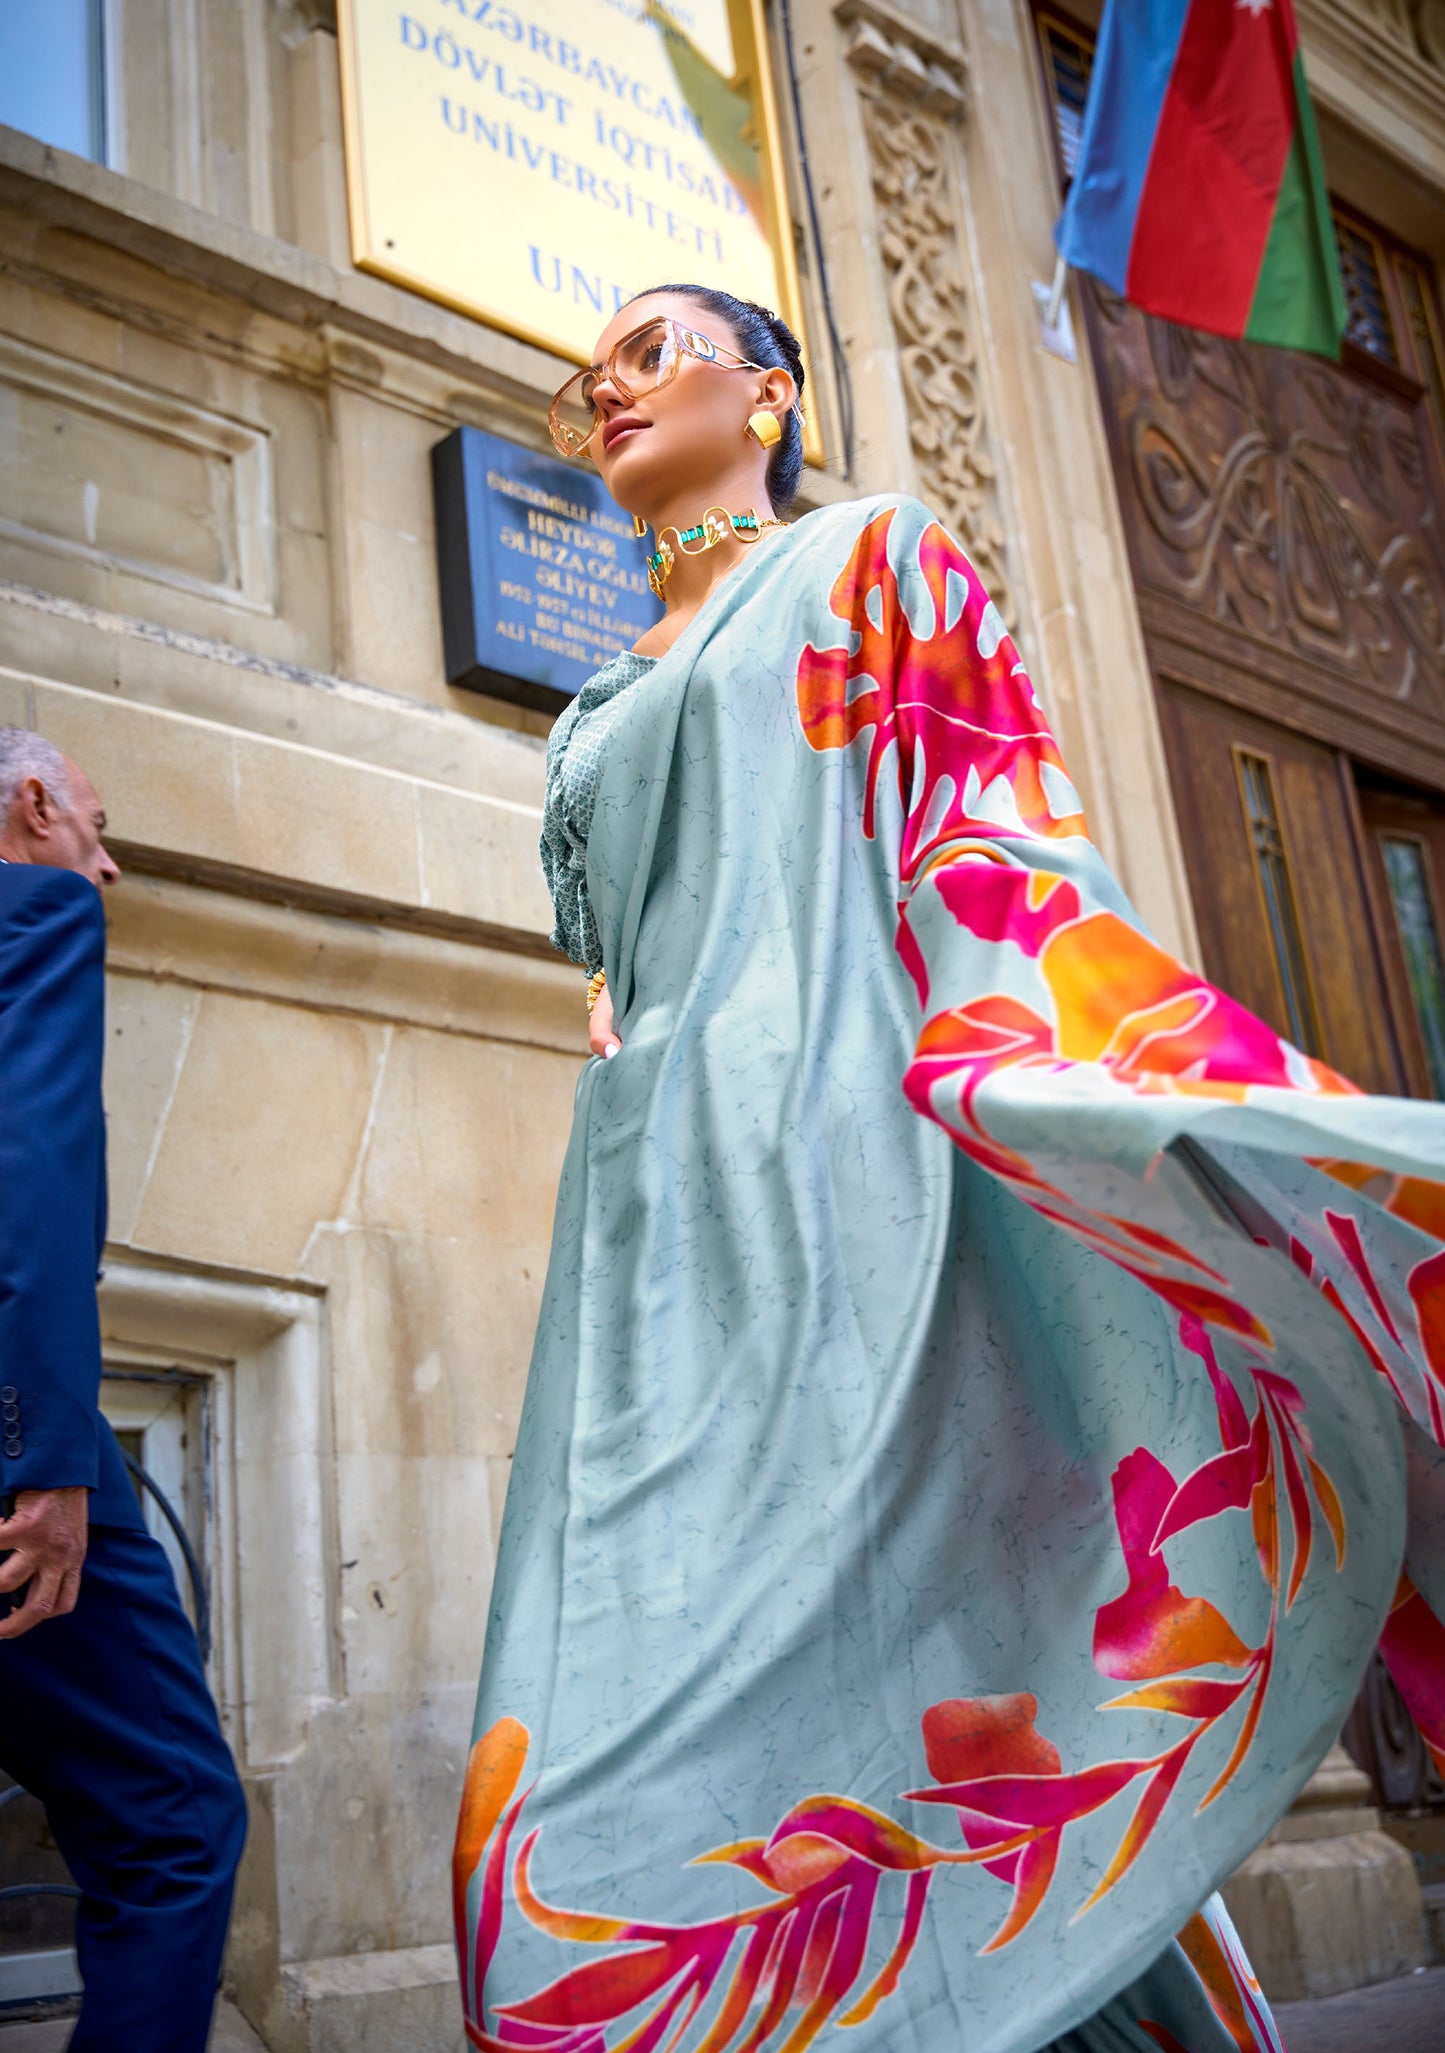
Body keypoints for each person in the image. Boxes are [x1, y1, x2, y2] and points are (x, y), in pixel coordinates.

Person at [452, 287, 1445, 2053]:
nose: (600, 383)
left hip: (846, 1179)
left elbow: (990, 838)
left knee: (925, 1651)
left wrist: (1055, 1075)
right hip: (646, 1218)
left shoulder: (868, 560)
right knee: (609, 1668)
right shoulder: (593, 698)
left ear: (769, 388)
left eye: (650, 346)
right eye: (581, 368)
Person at [0, 730, 247, 2053]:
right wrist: (39, 1459)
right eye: (98, 832)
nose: (101, 870)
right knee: (174, 1825)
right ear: (33, 803)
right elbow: (27, 1178)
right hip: (21, 1453)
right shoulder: (32, 909)